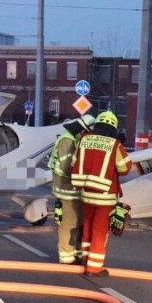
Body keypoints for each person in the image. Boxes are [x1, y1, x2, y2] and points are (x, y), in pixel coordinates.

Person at [70, 110, 131, 276]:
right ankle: (94, 268)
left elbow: (74, 162)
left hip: (86, 194)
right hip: (105, 196)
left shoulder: (84, 140)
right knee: (100, 230)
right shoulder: (115, 145)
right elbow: (125, 168)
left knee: (87, 225)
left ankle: (84, 259)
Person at [48, 113, 94, 264]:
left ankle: (75, 252)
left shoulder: (70, 138)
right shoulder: (67, 141)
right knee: (69, 223)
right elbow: (68, 167)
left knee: (77, 222)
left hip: (71, 189)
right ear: (82, 130)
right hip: (66, 188)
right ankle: (66, 256)